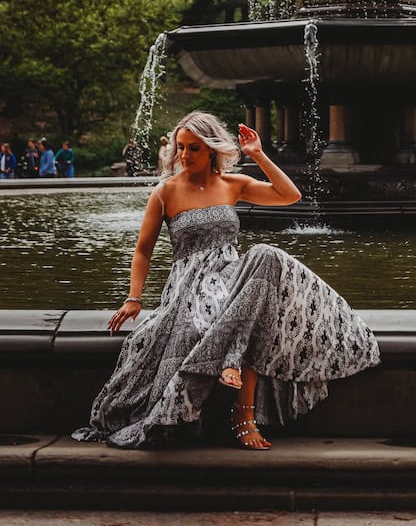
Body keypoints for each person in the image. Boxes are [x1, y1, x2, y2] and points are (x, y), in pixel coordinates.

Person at [72, 111, 380, 451]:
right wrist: (134, 297)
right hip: (190, 286)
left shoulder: (233, 184)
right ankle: (238, 398)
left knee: (266, 254)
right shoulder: (165, 192)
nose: (185, 156)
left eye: (194, 149)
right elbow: (143, 251)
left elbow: (289, 195)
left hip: (231, 276)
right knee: (245, 304)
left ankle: (234, 372)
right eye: (181, 148)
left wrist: (259, 155)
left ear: (212, 150)